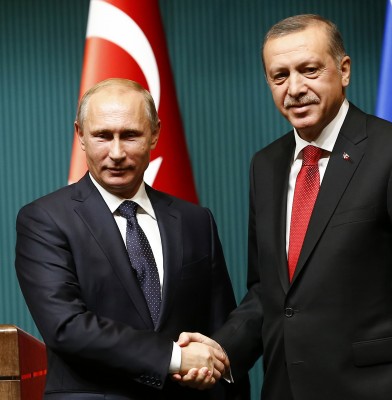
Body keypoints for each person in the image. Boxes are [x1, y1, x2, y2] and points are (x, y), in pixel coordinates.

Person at [177, 14, 392, 400]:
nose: (295, 88)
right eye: (280, 76)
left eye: (309, 70)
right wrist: (222, 350)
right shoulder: (266, 165)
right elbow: (269, 291)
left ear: (343, 70)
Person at [15, 78, 249, 399]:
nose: (116, 153)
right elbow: (65, 327)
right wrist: (176, 358)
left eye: (130, 135)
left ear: (154, 134)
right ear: (80, 136)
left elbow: (219, 327)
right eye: (101, 136)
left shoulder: (196, 220)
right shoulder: (44, 219)